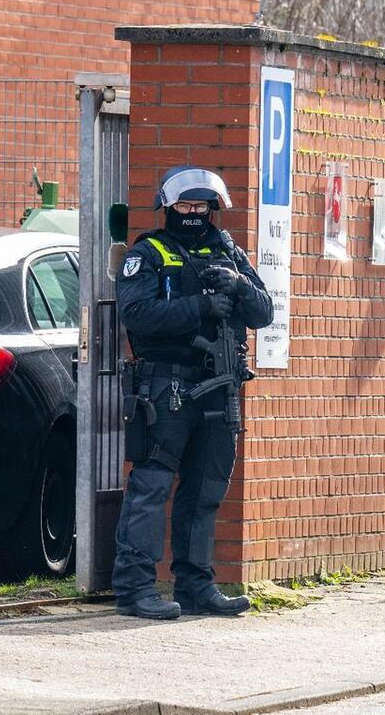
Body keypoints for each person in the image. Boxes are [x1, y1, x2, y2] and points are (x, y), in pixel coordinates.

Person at [112, 165, 273, 619]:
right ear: (168, 207)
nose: (192, 214)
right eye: (184, 206)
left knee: (205, 489)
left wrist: (239, 285)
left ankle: (196, 585)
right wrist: (198, 305)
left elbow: (264, 314)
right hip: (167, 385)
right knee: (151, 485)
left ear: (212, 209)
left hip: (219, 388)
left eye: (200, 207)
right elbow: (137, 313)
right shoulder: (149, 253)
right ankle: (135, 589)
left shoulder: (228, 251)